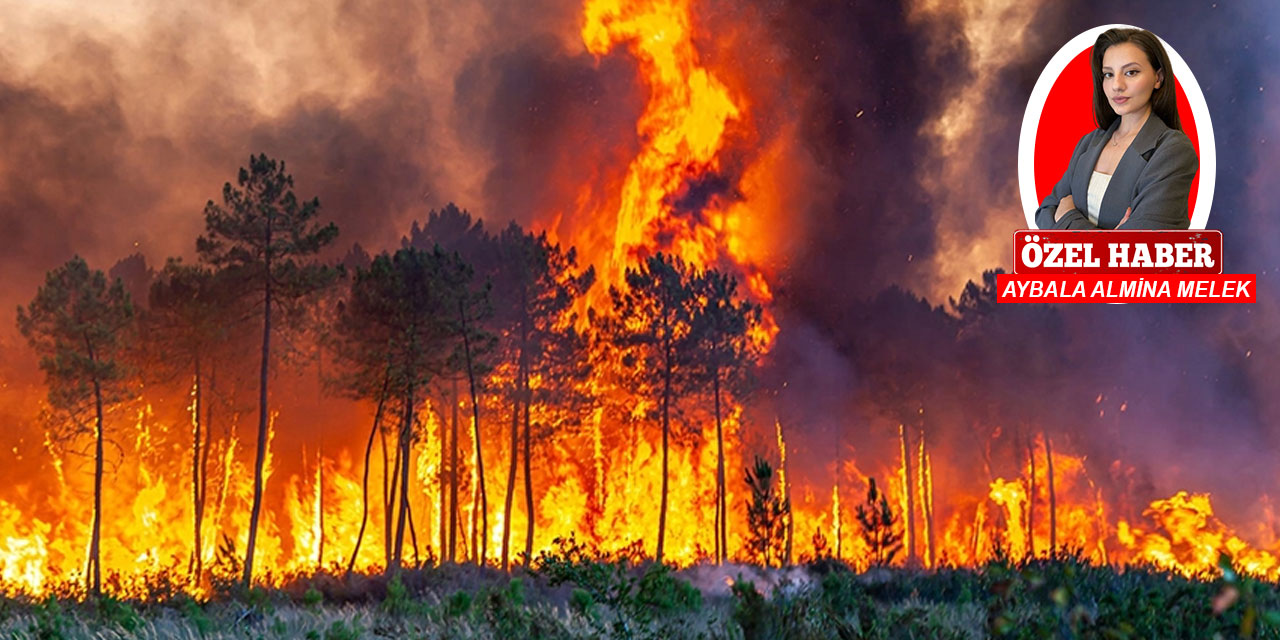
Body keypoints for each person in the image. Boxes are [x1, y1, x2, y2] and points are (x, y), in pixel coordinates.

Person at [1035, 28, 1198, 230]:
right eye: (1108, 74)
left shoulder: (1173, 150)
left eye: (1131, 72)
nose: (1117, 85)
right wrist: (1111, 238)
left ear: (1158, 78)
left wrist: (1068, 218)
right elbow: (1045, 212)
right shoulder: (1089, 142)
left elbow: (1138, 250)